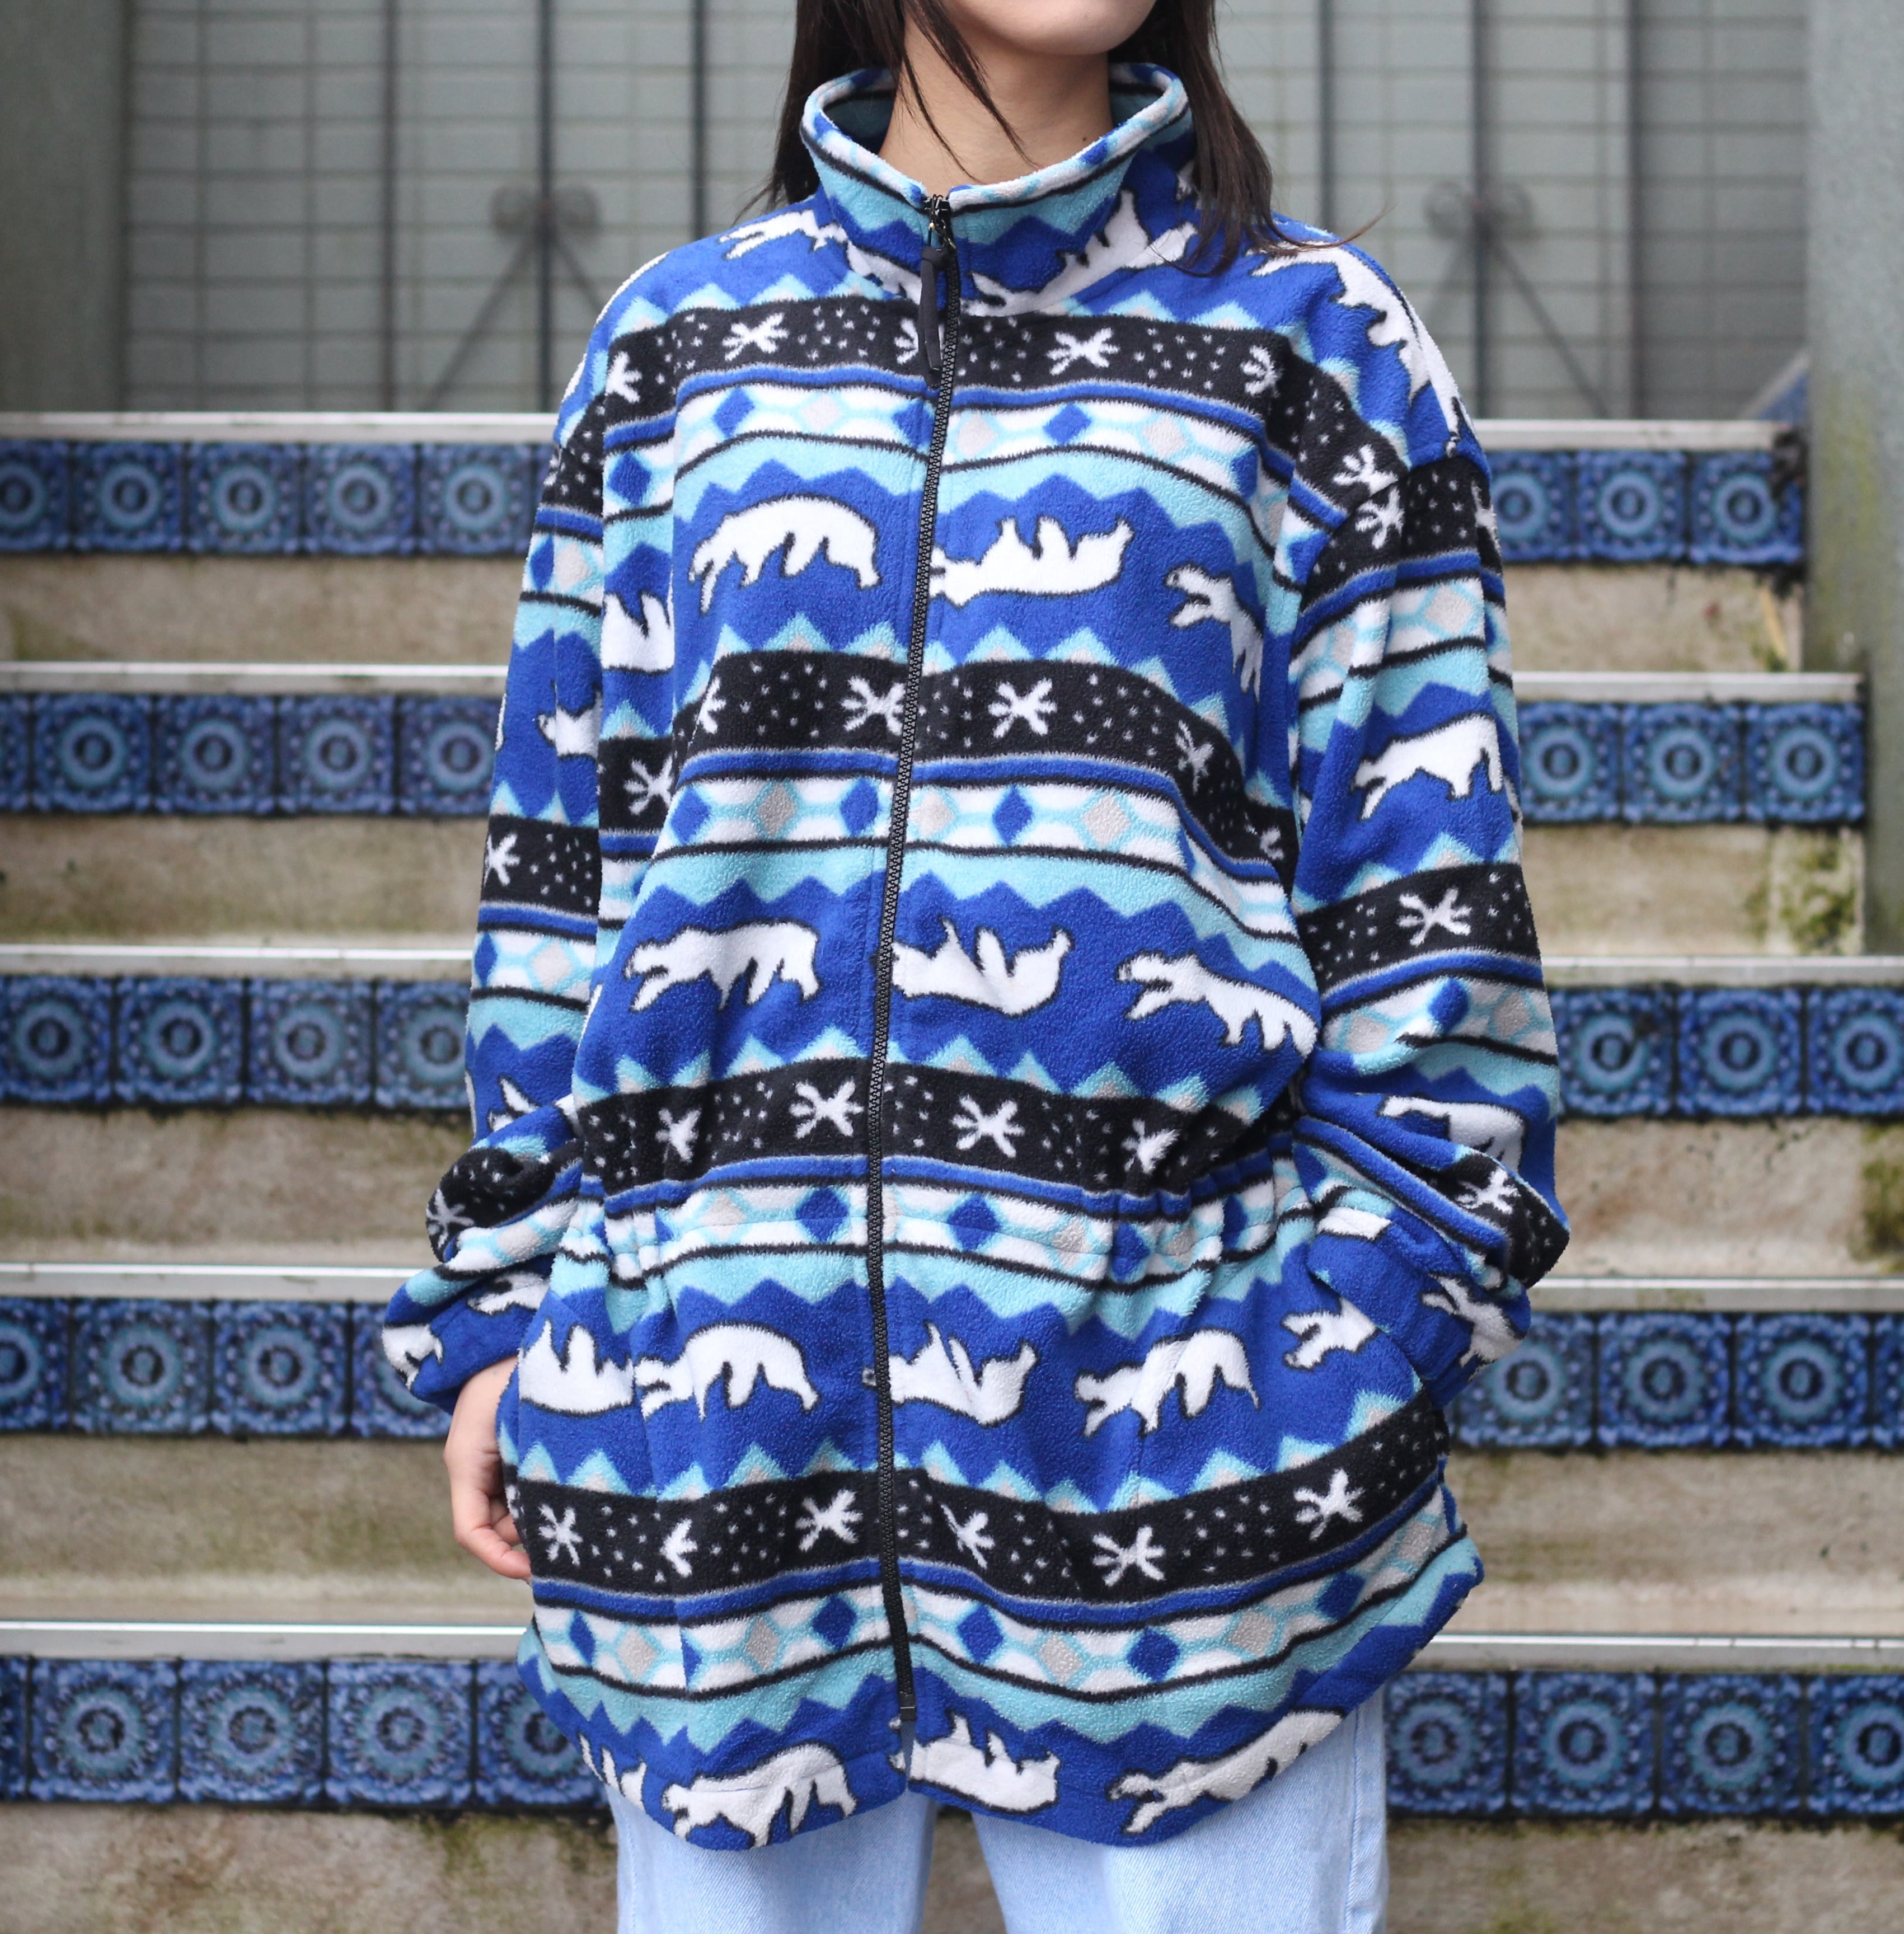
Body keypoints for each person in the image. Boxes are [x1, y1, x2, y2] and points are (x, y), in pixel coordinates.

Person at [384, 1, 1567, 1927]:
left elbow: (1432, 917)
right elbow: (564, 886)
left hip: (1194, 1489)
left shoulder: (1314, 344)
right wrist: (520, 1306)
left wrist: (1362, 1338)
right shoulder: (678, 351)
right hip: (713, 1456)